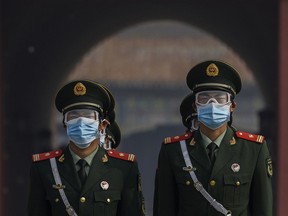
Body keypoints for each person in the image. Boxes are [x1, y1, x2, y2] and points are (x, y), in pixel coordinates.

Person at [153, 60, 273, 216]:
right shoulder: (173, 151)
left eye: (220, 98)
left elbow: (263, 210)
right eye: (204, 99)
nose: (212, 104)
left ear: (232, 106)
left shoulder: (253, 149)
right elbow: (164, 209)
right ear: (195, 106)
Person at [28, 80, 145, 216]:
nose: (80, 121)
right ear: (65, 125)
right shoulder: (45, 169)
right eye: (73, 116)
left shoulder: (122, 168)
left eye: (89, 116)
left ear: (102, 125)